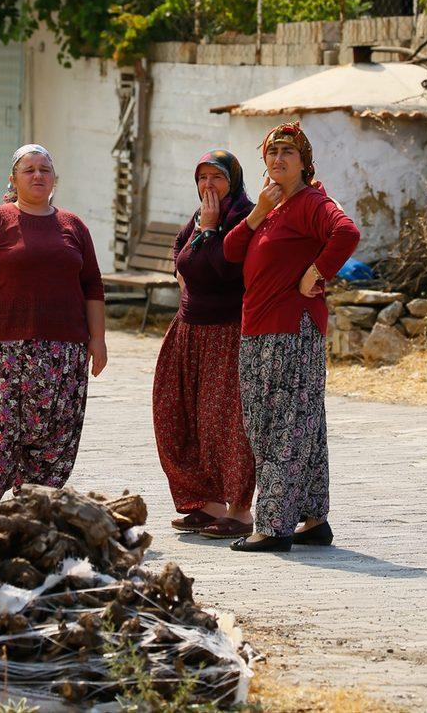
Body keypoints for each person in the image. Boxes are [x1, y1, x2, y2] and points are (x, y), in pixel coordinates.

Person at [223, 123, 360, 553]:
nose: (278, 159)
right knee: (300, 424)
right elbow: (230, 251)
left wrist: (315, 273)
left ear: (304, 161)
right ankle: (314, 518)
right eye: (271, 152)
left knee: (281, 425)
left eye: (287, 152)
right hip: (260, 326)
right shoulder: (273, 206)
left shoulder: (311, 201)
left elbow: (347, 233)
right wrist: (258, 211)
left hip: (291, 329)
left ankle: (274, 526)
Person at [0, 143, 107, 506]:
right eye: (29, 169)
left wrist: (97, 339)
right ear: (13, 179)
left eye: (45, 169)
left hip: (63, 354)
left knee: (53, 436)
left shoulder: (73, 226)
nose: (38, 175)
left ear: (55, 179)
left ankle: (34, 510)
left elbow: (93, 284)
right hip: (3, 354)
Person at [152, 150, 256, 539]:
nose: (208, 186)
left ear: (234, 180)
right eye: (202, 178)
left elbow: (225, 268)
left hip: (228, 333)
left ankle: (239, 511)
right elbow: (181, 260)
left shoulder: (244, 218)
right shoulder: (196, 219)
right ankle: (205, 502)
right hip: (189, 331)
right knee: (175, 416)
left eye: (217, 177)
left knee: (226, 423)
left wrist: (211, 229)